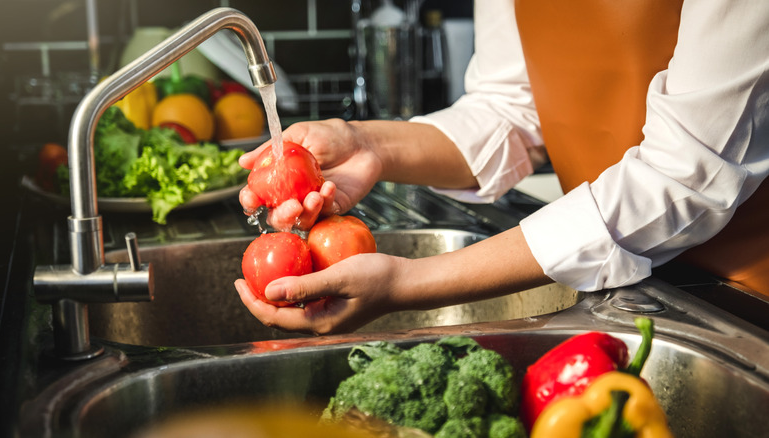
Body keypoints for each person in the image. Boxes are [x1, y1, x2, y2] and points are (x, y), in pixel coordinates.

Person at [234, 0, 769, 335]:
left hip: (746, 300)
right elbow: (509, 109)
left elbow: (685, 173)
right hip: (620, 288)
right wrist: (365, 143)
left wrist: (411, 283)